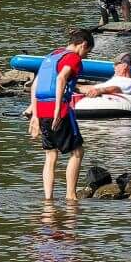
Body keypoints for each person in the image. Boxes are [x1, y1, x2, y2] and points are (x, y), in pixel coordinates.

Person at [28, 30, 93, 202]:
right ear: (83, 45)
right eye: (87, 52)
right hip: (60, 110)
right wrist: (58, 109)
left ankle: (48, 199)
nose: (85, 56)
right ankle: (70, 196)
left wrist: (35, 115)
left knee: (51, 155)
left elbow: (35, 85)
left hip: (41, 110)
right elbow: (61, 79)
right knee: (78, 151)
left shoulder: (52, 55)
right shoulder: (74, 57)